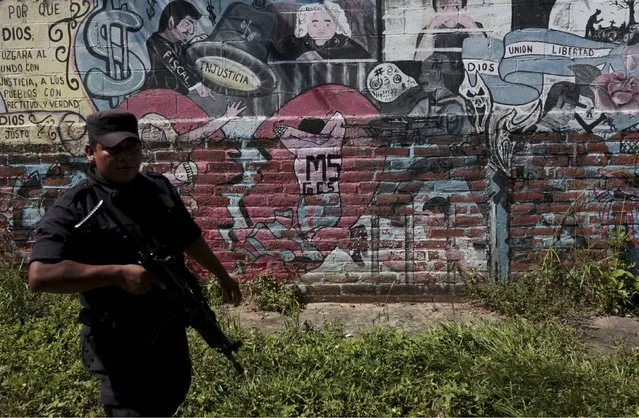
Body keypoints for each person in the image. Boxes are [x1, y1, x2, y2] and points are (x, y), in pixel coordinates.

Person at [27, 109, 242, 417]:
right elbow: (40, 275)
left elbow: (188, 236)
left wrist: (222, 275)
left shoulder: (158, 188)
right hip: (119, 338)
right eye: (114, 149)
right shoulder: (77, 206)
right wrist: (115, 274)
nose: (126, 156)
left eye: (132, 147)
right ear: (91, 152)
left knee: (173, 390)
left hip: (167, 325)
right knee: (131, 409)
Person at [144, 0, 213, 97]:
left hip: (178, 97)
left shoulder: (178, 45)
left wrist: (194, 44)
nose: (191, 31)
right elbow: (174, 63)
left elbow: (189, 63)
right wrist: (197, 86)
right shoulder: (155, 42)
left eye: (193, 25)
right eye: (187, 24)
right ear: (171, 22)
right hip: (158, 97)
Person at [272, 1, 369, 61]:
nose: (321, 29)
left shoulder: (350, 47)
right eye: (315, 24)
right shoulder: (291, 43)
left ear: (337, 25)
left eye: (327, 24)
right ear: (306, 24)